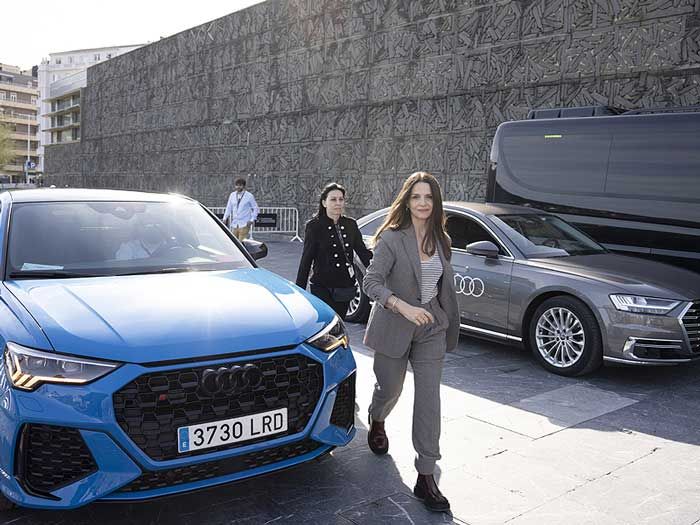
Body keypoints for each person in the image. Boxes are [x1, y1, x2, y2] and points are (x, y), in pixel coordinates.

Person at [362, 172, 459, 513]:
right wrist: (402, 306)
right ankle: (377, 417)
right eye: (416, 197)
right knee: (390, 389)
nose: (422, 203)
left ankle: (426, 475)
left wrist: (440, 315)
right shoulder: (391, 238)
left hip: (431, 326)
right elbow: (371, 282)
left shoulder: (442, 239)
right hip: (394, 322)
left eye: (428, 197)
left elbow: (439, 285)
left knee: (429, 397)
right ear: (407, 201)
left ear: (435, 203)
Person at [295, 182, 372, 319]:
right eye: (333, 199)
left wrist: (379, 272)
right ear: (324, 202)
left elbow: (363, 253)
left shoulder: (350, 224)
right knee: (325, 324)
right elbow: (306, 260)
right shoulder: (314, 226)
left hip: (344, 286)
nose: (338, 203)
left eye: (341, 199)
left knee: (339, 321)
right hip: (322, 287)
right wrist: (299, 291)